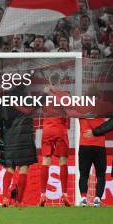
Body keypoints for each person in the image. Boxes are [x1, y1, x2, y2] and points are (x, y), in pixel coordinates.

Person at [0, 85, 37, 207]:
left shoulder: (6, 102)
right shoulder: (28, 100)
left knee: (10, 168)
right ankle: (18, 201)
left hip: (10, 137)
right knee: (23, 169)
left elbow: (4, 120)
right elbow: (31, 110)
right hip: (25, 138)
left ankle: (5, 198)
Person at [38, 73, 71, 206]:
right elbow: (68, 109)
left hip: (47, 130)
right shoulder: (65, 94)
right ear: (60, 81)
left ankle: (42, 195)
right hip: (60, 130)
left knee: (46, 161)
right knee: (63, 161)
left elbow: (33, 106)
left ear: (49, 81)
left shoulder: (44, 94)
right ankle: (64, 194)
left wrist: (45, 93)